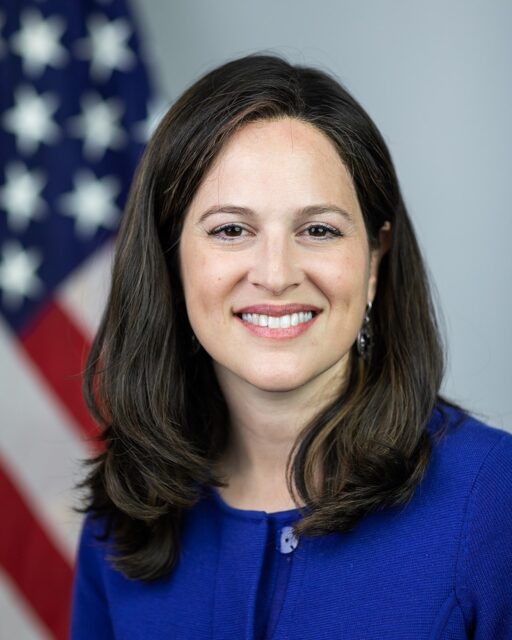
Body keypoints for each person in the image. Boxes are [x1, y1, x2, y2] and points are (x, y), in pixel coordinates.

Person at [70, 54, 512, 639]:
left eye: (319, 230)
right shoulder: (124, 516)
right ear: (171, 260)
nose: (276, 274)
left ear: (375, 260)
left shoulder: (492, 496)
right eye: (231, 230)